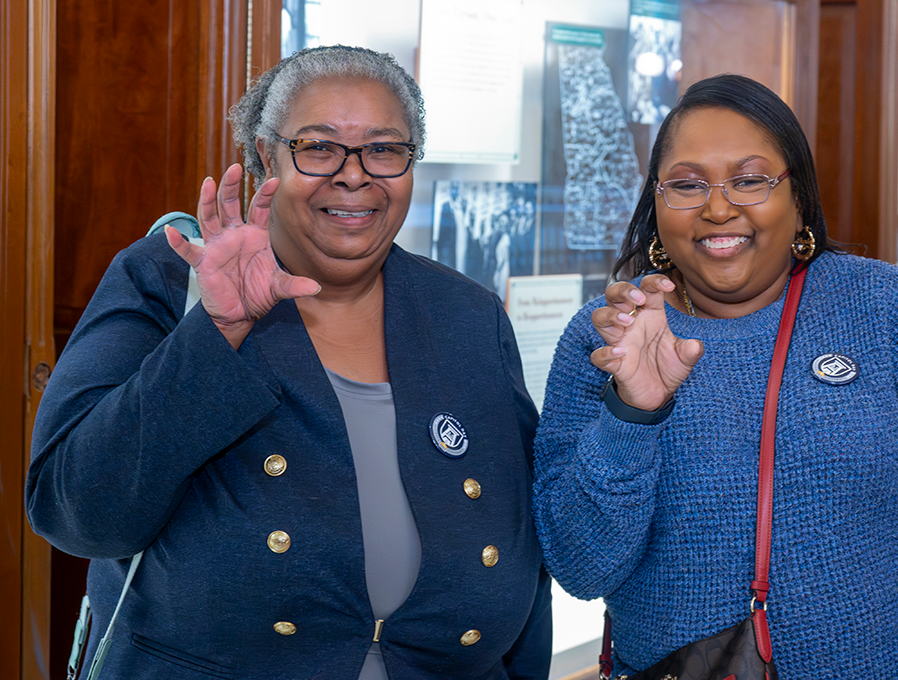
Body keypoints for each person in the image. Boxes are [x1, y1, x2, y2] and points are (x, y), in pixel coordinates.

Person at [26, 45, 551, 680]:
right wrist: (216, 333)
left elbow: (525, 549)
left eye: (384, 149)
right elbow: (75, 515)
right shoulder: (168, 279)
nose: (354, 175)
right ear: (264, 155)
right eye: (318, 147)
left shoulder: (467, 314)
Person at [532, 73, 898, 679]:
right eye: (687, 184)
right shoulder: (607, 338)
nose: (717, 208)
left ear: (798, 197)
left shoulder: (884, 307)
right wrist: (632, 415)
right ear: (656, 202)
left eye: (749, 180)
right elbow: (581, 569)